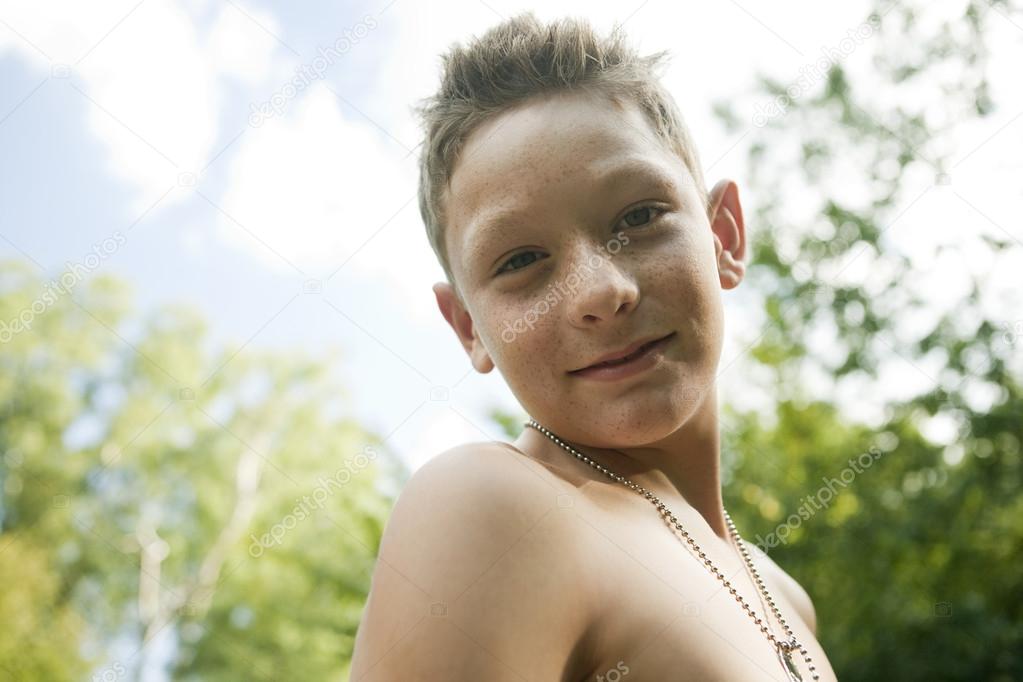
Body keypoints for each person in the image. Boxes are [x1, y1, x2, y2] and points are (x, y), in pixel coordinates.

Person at [350, 11, 837, 681]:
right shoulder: (490, 507)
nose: (598, 292)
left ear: (723, 235)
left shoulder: (788, 599)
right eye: (520, 259)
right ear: (467, 327)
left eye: (637, 216)